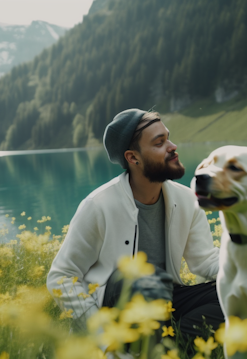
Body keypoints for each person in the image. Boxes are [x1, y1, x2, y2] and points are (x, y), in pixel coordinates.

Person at [46, 108, 223, 344]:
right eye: (159, 143)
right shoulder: (98, 205)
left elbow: (204, 260)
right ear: (133, 158)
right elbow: (61, 276)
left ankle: (169, 347)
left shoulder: (187, 200)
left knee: (236, 293)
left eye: (168, 137)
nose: (172, 146)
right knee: (142, 276)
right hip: (116, 310)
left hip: (165, 302)